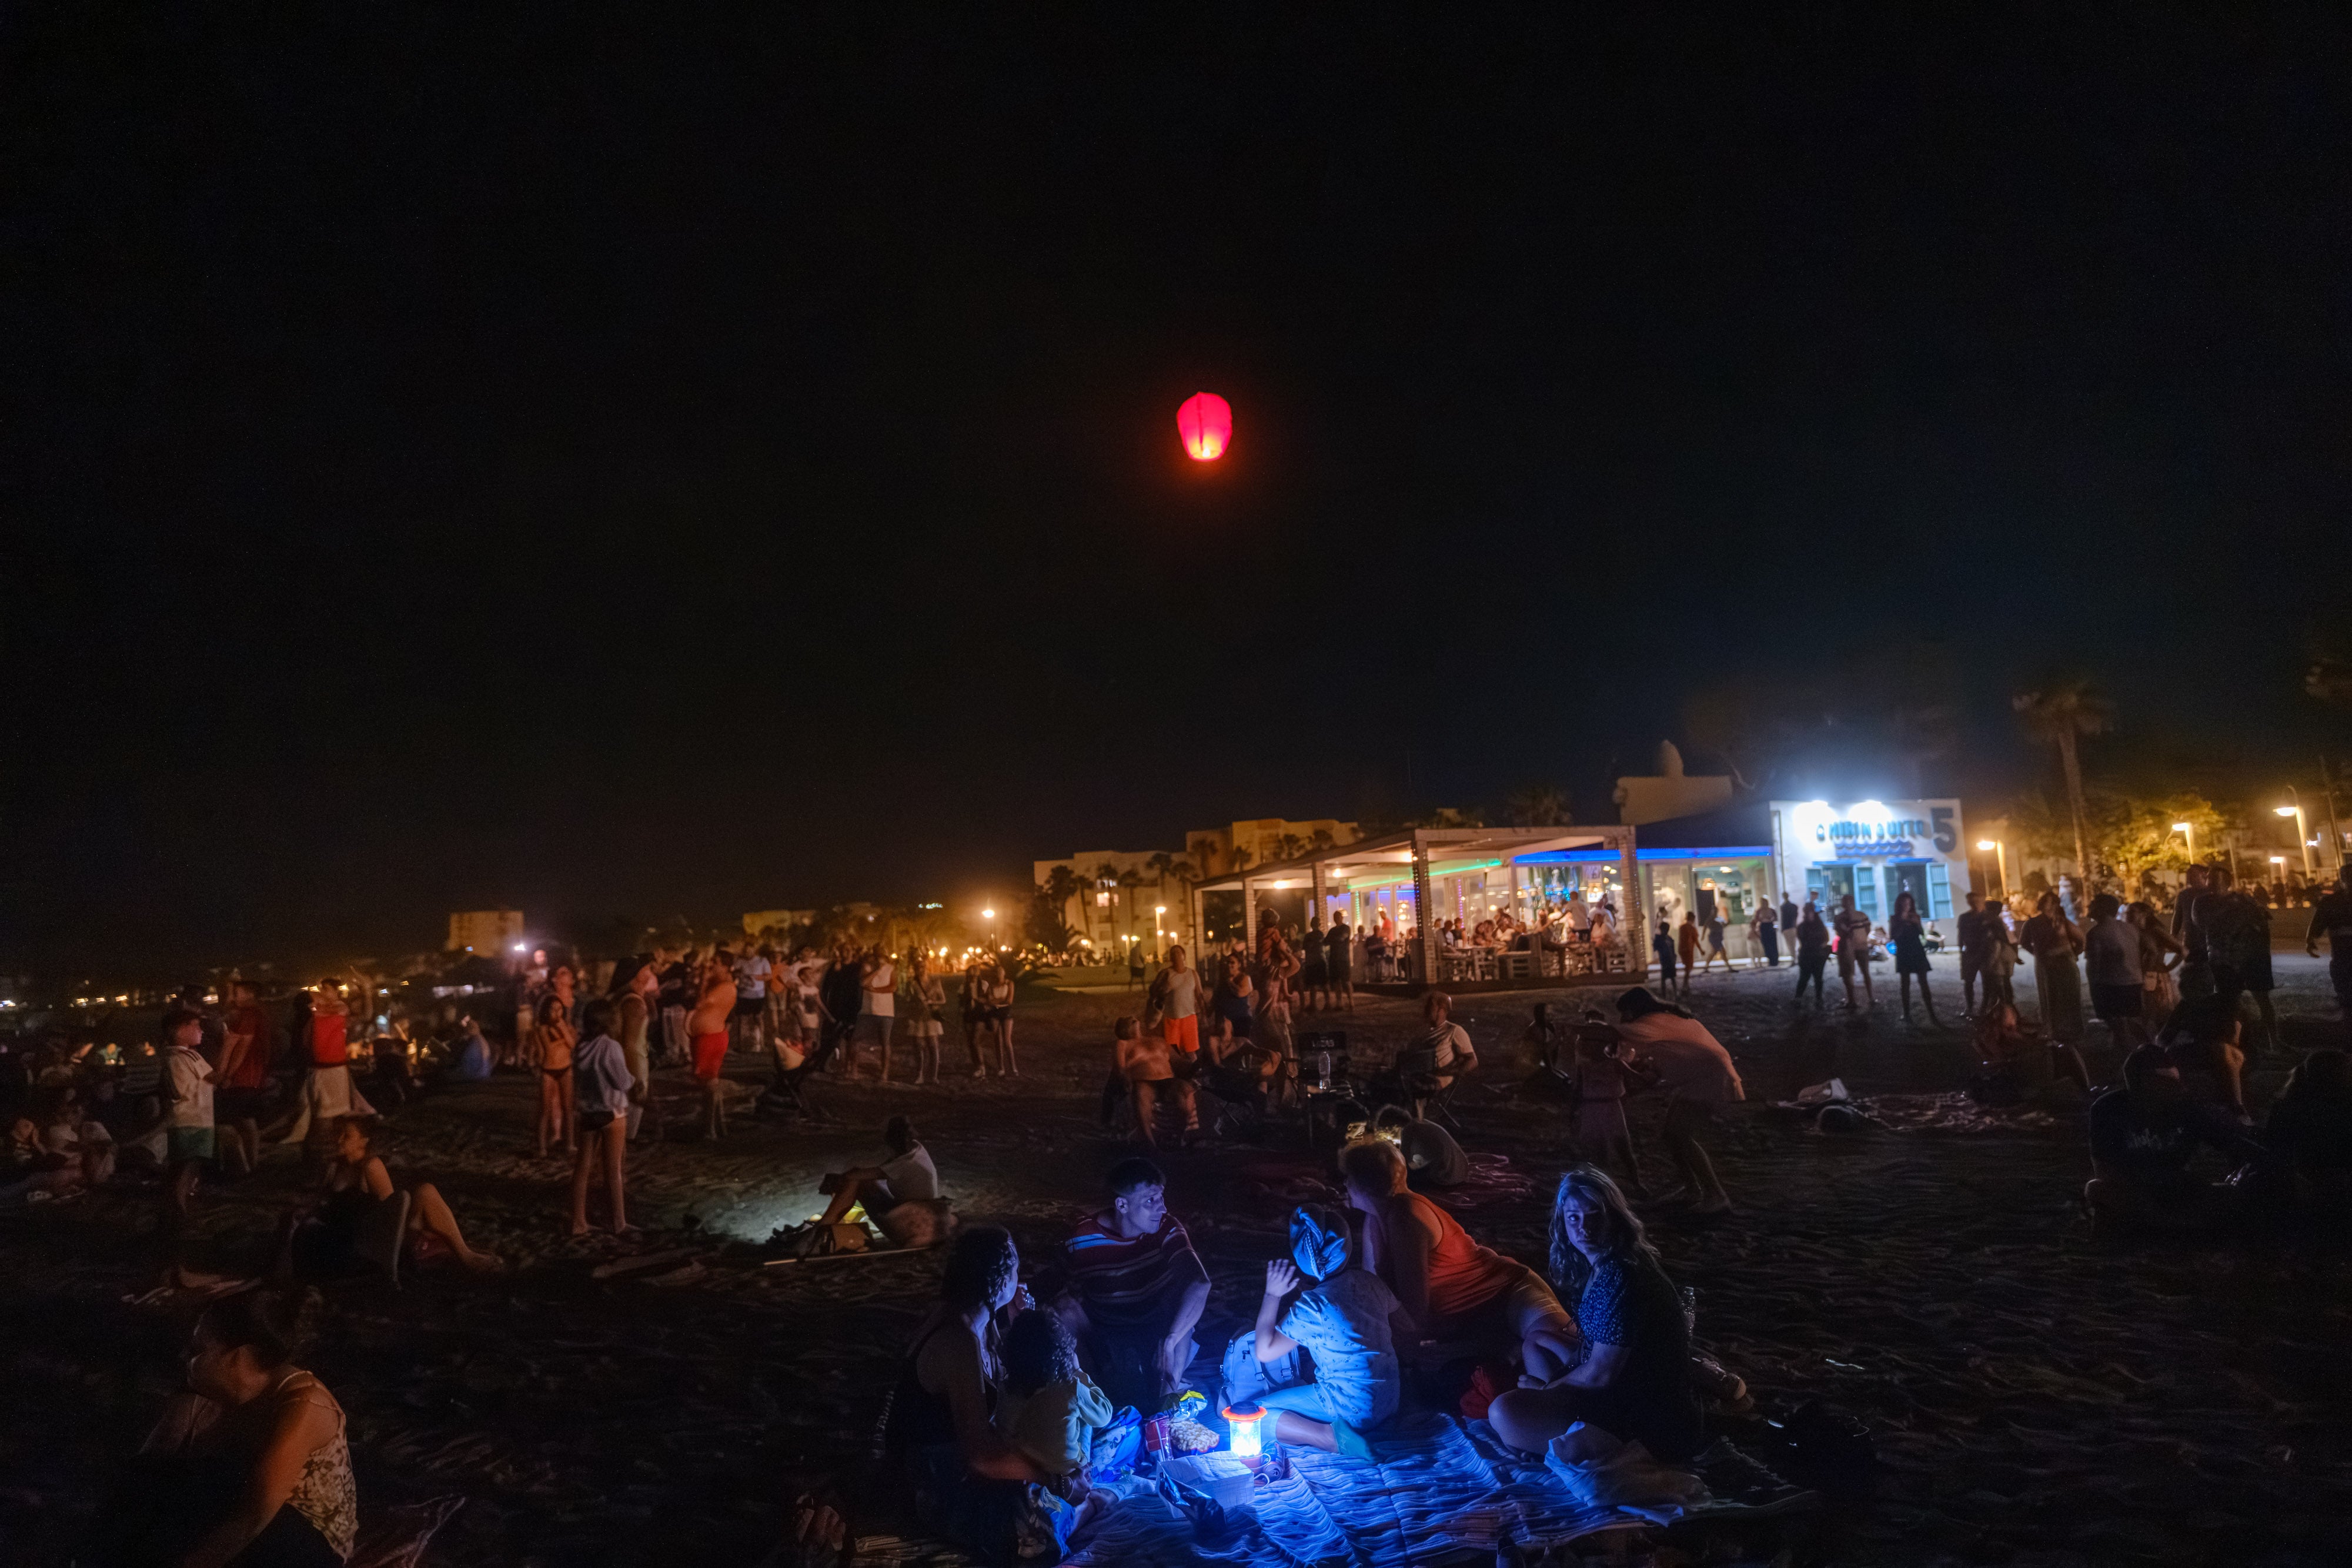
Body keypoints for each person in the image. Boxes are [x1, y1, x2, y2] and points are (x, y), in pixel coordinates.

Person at [122, 1287, 355, 1568]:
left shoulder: (305, 1405)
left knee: (202, 1490)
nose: (185, 1356)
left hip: (305, 1539)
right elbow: (150, 1469)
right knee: (150, 1481)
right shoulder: (209, 1398)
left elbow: (255, 1514)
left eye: (198, 1350)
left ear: (239, 1358)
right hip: (252, 1518)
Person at [1486, 1167, 1705, 1462]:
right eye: (1574, 1218)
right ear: (1562, 1222)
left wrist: (1550, 1390)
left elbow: (1602, 1375)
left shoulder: (1621, 1275)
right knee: (1536, 1342)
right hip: (1616, 1383)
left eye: (1594, 1216)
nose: (1583, 1229)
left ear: (1614, 1219)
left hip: (1641, 1414)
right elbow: (1595, 1346)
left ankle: (1560, 1437)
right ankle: (1549, 1431)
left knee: (1503, 1411)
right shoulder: (1603, 1264)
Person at [882, 1227, 1069, 1563]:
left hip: (957, 1468)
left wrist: (1019, 1320)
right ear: (999, 1280)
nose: (1019, 1278)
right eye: (1014, 1270)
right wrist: (1050, 1477)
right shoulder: (959, 1339)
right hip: (938, 1486)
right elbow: (980, 1457)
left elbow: (1007, 1384)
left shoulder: (977, 1322)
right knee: (1043, 1539)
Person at [1341, 1138, 1578, 1378]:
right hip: (1471, 1320)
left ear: (1363, 1185)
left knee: (1565, 1352)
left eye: (1349, 1178)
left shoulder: (1405, 1216)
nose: (1345, 1185)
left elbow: (1415, 1313)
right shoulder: (1375, 1218)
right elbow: (1374, 1294)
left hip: (1509, 1293)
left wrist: (1450, 1347)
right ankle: (1504, 1348)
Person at [1221, 1203, 1402, 1457]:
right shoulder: (1370, 1282)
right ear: (1347, 1248)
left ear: (1301, 1258)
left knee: (1251, 1414)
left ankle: (1328, 1438)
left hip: (1352, 1410)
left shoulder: (1313, 1307)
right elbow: (1403, 1323)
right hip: (1390, 1402)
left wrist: (1272, 1294)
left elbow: (1264, 1351)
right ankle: (1360, 1428)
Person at [1055, 1158, 1211, 1414]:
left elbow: (1199, 1282)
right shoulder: (1080, 1238)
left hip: (1157, 1330)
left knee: (1182, 1301)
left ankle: (1165, 1403)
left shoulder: (1167, 1228)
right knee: (1063, 1309)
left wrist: (1170, 1339)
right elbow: (1062, 1291)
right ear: (1122, 1205)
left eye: (1161, 1198)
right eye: (1150, 1201)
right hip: (1107, 1331)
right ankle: (1099, 1395)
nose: (1162, 1209)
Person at [280, 1116, 502, 1277]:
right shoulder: (335, 1168)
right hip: (356, 1236)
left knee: (425, 1191)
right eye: (339, 1134)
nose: (339, 1140)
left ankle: (466, 1255)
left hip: (382, 1235)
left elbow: (393, 1211)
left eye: (346, 1136)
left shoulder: (370, 1166)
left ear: (363, 1141)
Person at [2084, 1046, 2263, 1233]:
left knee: (2234, 1195)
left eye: (2175, 1081)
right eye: (2166, 1081)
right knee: (2097, 1189)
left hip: (2178, 1187)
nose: (2177, 1087)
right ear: (2144, 1082)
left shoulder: (2187, 1108)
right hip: (2133, 1190)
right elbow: (2104, 1171)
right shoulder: (2108, 1109)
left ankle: (2165, 1226)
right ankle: (2171, 1225)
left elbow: (2235, 1143)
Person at [1612, 987, 1741, 1214]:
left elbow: (1614, 1032)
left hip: (1709, 1076)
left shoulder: (1653, 1022)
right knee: (1671, 1135)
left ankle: (1716, 1195)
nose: (1624, 1018)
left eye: (1626, 1012)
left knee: (1681, 1135)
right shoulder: (1665, 1019)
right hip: (1699, 1075)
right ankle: (1693, 1190)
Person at [997, 1309, 1116, 1480]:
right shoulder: (1069, 1388)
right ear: (1060, 1348)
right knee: (1130, 1420)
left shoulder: (1008, 1389)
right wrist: (1078, 1371)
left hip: (1033, 1475)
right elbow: (1105, 1415)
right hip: (1071, 1474)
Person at [2195, 865, 2277, 1056]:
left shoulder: (2242, 899)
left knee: (2262, 999)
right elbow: (2202, 923)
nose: (2212, 882)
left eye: (2217, 879)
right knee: (2230, 1003)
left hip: (2250, 956)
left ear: (2228, 882)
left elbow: (2261, 920)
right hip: (2222, 958)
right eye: (2210, 878)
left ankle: (2274, 1042)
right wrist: (2230, 910)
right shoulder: (2202, 901)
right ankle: (2235, 1043)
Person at [569, 998, 635, 1236]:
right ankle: (619, 1222)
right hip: (612, 1113)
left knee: (583, 1168)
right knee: (613, 1169)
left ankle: (578, 1222)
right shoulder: (610, 1047)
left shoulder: (581, 1046)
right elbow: (622, 1082)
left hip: (588, 1112)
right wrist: (634, 1080)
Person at [2264, 1049, 2352, 1213]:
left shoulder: (2287, 1106)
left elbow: (2273, 1146)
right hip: (2334, 1185)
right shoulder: (2344, 1108)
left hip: (2296, 1185)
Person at [815, 1115, 944, 1226]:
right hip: (923, 1212)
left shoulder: (905, 1163)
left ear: (890, 1139)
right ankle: (827, 1222)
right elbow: (883, 1169)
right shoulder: (917, 1150)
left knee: (858, 1182)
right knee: (863, 1179)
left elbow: (853, 1176)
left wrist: (836, 1181)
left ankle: (823, 1226)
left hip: (912, 1220)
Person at [1569, 1020, 1646, 1197]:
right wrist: (1573, 1112)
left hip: (1611, 1108)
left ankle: (1635, 1182)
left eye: (1590, 1043)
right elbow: (1578, 1091)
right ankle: (1607, 1187)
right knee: (1599, 1151)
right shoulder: (1585, 1066)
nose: (1586, 1046)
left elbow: (1637, 1079)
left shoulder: (1616, 1064)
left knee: (1623, 1147)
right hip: (1594, 1108)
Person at [1390, 991, 1478, 1119]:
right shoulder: (1422, 1034)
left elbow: (1472, 1060)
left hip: (1436, 1079)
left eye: (1430, 1006)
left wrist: (1450, 1072)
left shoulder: (1453, 1031)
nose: (1426, 1010)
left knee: (1405, 1089)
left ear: (1442, 1010)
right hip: (1416, 1076)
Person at [1114, 1014, 1195, 1149]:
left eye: (1135, 1019)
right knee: (1142, 1093)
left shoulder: (1159, 1040)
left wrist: (1192, 1063)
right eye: (1129, 1021)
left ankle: (1181, 1137)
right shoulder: (1124, 1044)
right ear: (1123, 1030)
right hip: (1144, 1081)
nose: (1134, 1021)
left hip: (1167, 1079)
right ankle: (1149, 1142)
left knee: (1185, 1090)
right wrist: (1125, 1078)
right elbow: (1120, 1068)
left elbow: (1177, 1062)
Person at [2019, 891, 2087, 1045]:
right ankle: (2054, 1030)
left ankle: (2075, 1029)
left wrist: (2074, 953)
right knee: (2050, 997)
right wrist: (2038, 954)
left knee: (2071, 995)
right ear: (2041, 905)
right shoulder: (2032, 923)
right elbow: (2024, 942)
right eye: (2046, 903)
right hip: (2047, 965)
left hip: (2066, 963)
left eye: (2052, 903)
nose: (2049, 906)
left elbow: (2080, 938)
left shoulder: (2062, 921)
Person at [2083, 893, 2148, 1052]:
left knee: (2120, 1027)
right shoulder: (2130, 928)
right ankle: (2145, 1050)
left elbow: (2094, 967)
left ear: (2101, 909)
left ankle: (2130, 1061)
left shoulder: (2096, 933)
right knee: (2129, 1023)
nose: (2088, 905)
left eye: (2093, 903)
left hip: (2112, 985)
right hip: (2134, 982)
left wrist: (2095, 991)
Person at [532, 964, 579, 1159]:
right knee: (545, 1109)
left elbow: (571, 1044)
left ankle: (570, 1144)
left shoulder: (565, 1026)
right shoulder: (543, 1029)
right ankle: (542, 1146)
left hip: (566, 1069)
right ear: (546, 1011)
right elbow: (548, 1049)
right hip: (549, 1070)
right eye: (553, 1010)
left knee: (569, 1108)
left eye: (560, 1010)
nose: (557, 1014)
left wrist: (562, 1028)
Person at [688, 958, 736, 1141]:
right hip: (705, 1036)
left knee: (710, 1084)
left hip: (711, 1038)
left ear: (726, 966)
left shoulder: (725, 987)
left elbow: (700, 1004)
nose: (711, 965)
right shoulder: (720, 985)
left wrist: (704, 980)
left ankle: (710, 1129)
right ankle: (718, 1125)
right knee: (709, 1084)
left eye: (716, 962)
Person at [1372, 1103, 1469, 1189]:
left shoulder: (1409, 1131)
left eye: (1385, 1129)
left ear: (1392, 1125)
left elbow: (1407, 1165)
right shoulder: (1420, 1124)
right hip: (1461, 1172)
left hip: (1446, 1178)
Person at [2129, 901, 2186, 1034]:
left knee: (2157, 1017)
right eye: (2128, 912)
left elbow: (2182, 951)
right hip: (2143, 977)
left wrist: (2169, 967)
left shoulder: (2154, 930)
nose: (2128, 915)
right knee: (2145, 1017)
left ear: (2144, 914)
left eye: (2132, 912)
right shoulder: (2136, 932)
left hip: (2156, 978)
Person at [1889, 890, 1940, 1026]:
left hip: (1917, 951)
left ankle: (1931, 1013)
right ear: (1899, 904)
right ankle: (1906, 1014)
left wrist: (1916, 923)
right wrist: (1903, 922)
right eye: (1904, 903)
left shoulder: (1915, 916)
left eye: (1909, 903)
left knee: (1924, 982)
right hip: (1904, 952)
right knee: (1905, 984)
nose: (1907, 905)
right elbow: (1894, 936)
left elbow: (1922, 933)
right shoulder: (1894, 918)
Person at [2308, 864, 2352, 1024]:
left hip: (2341, 958)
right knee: (2345, 997)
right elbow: (2317, 924)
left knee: (2345, 994)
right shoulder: (2331, 902)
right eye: (2346, 876)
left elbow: (2316, 926)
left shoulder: (2331, 902)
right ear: (2341, 879)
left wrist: (2310, 939)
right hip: (2342, 958)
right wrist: (2310, 939)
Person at [1833, 894, 1875, 1009]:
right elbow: (1867, 929)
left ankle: (1857, 1000)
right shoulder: (1859, 916)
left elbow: (1867, 929)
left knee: (1857, 973)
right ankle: (1857, 999)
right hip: (1850, 947)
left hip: (1854, 947)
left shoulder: (1844, 917)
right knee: (1851, 973)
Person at [1955, 891, 1989, 1016]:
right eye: (1972, 901)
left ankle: (1985, 1008)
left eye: (1977, 901)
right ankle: (1970, 1008)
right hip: (1970, 952)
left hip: (1985, 953)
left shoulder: (1987, 917)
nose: (1975, 904)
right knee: (1968, 982)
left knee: (1987, 982)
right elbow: (1961, 936)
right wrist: (1961, 952)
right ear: (1969, 903)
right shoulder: (1964, 918)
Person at [1792, 903, 1830, 1008]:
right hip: (1806, 955)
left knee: (1818, 977)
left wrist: (1820, 946)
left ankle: (1818, 998)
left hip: (1818, 956)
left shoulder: (1819, 926)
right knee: (1804, 977)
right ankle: (1799, 997)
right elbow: (1802, 939)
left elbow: (1826, 939)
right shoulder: (1802, 927)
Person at [1324, 915, 1355, 1011]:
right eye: (1335, 917)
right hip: (1334, 959)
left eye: (1338, 917)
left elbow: (1341, 938)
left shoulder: (1346, 928)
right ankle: (1339, 1003)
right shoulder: (1332, 930)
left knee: (1346, 981)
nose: (1336, 919)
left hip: (1343, 959)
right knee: (1337, 982)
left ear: (1341, 918)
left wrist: (1333, 940)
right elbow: (1326, 942)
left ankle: (1351, 1002)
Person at [1651, 919, 1681, 999]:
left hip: (1670, 961)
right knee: (1665, 978)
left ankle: (1674, 993)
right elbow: (1655, 947)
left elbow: (1673, 950)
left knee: (1671, 978)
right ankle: (1665, 995)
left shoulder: (1668, 939)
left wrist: (1674, 959)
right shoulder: (1662, 939)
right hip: (1665, 961)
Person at [1754, 900, 1779, 969]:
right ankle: (1770, 959)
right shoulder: (1759, 911)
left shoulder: (1772, 910)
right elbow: (1756, 919)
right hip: (1764, 928)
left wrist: (1775, 928)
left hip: (1771, 927)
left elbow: (1776, 920)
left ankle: (1775, 960)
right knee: (1766, 945)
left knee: (1773, 944)